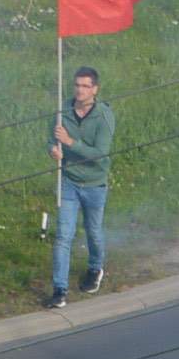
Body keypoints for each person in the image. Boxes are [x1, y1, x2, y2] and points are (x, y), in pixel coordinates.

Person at [48, 66, 115, 309]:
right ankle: (59, 289)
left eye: (85, 86)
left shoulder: (104, 116)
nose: (80, 90)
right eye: (77, 85)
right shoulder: (62, 110)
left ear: (95, 89)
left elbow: (100, 154)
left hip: (95, 184)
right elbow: (51, 138)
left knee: (93, 231)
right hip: (69, 181)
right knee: (63, 236)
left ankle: (95, 268)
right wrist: (54, 149)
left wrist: (70, 143)